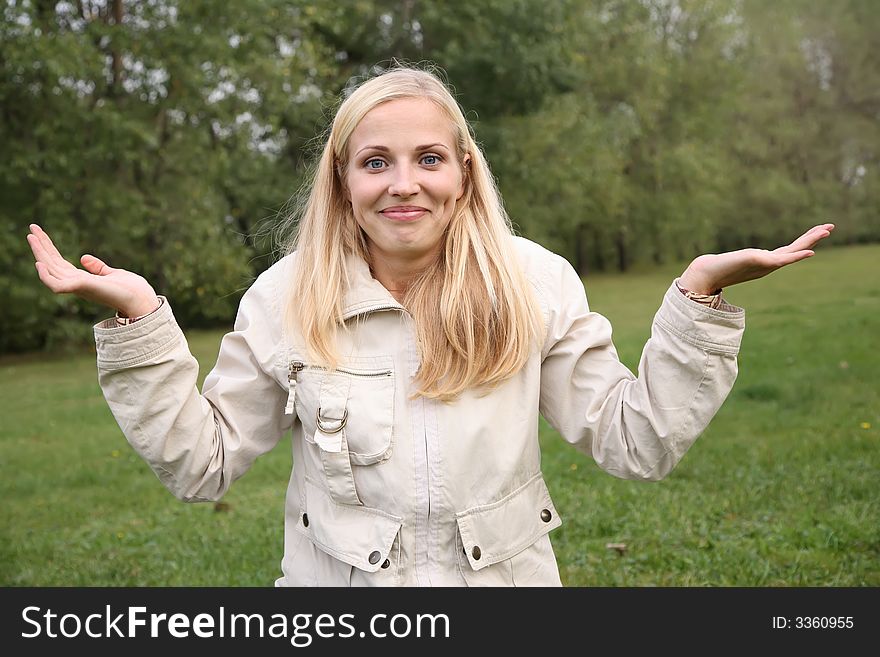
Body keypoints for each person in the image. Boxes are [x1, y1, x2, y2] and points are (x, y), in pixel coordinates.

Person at [27, 65, 834, 587]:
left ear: (463, 172)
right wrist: (139, 320)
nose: (402, 184)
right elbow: (201, 465)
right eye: (375, 161)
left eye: (428, 159)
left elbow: (637, 441)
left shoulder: (536, 282)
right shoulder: (282, 298)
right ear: (342, 183)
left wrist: (698, 299)